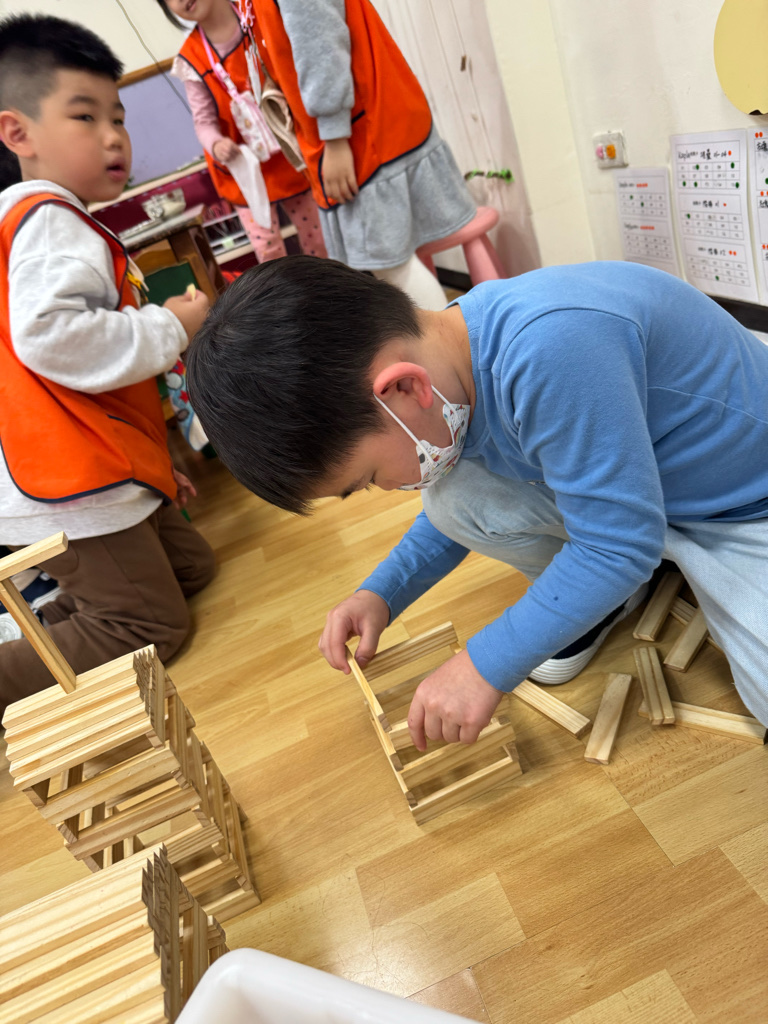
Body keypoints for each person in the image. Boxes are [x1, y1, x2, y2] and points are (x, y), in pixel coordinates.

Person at [186, 255, 768, 745]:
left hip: (742, 502)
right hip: (650, 498)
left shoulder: (550, 350)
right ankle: (606, 591)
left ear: (404, 388)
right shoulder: (450, 358)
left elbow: (620, 545)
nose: (383, 489)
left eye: (366, 478)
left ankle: (609, 582)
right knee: (451, 498)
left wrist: (484, 664)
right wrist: (382, 592)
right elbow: (460, 512)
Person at [0, 13, 216, 718]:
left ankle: (56, 615)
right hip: (70, 485)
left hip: (94, 467)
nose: (114, 135)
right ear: (18, 133)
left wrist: (156, 466)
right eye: (85, 116)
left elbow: (94, 377)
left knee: (193, 568)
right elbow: (51, 338)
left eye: (117, 116)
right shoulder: (49, 221)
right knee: (152, 626)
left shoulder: (48, 220)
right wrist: (171, 325)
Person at [216, 0, 476, 311]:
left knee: (393, 267)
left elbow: (321, 48)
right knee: (391, 267)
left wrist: (335, 137)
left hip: (360, 137)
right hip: (355, 134)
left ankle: (451, 340)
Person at [156, 0, 327, 263]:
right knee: (268, 251)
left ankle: (328, 284)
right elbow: (203, 123)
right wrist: (216, 144)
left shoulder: (259, 17)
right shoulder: (192, 58)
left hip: (291, 158)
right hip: (244, 170)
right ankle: (281, 291)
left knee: (318, 239)